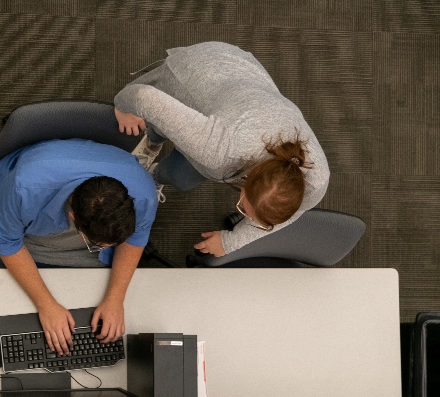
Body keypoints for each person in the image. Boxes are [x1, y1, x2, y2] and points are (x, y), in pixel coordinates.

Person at [113, 41, 330, 257]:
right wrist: (123, 107)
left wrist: (231, 242)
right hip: (203, 73)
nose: (248, 218)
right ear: (247, 180)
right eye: (243, 209)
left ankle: (155, 172)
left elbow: (295, 212)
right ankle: (152, 143)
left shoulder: (315, 182)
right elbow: (143, 97)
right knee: (165, 127)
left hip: (240, 96)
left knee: (180, 178)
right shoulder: (220, 151)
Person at [0, 138, 158, 356]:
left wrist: (115, 300)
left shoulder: (143, 194)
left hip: (67, 229)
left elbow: (134, 240)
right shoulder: (24, 187)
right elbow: (6, 242)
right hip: (20, 229)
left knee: (95, 304)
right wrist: (47, 306)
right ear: (72, 217)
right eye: (95, 245)